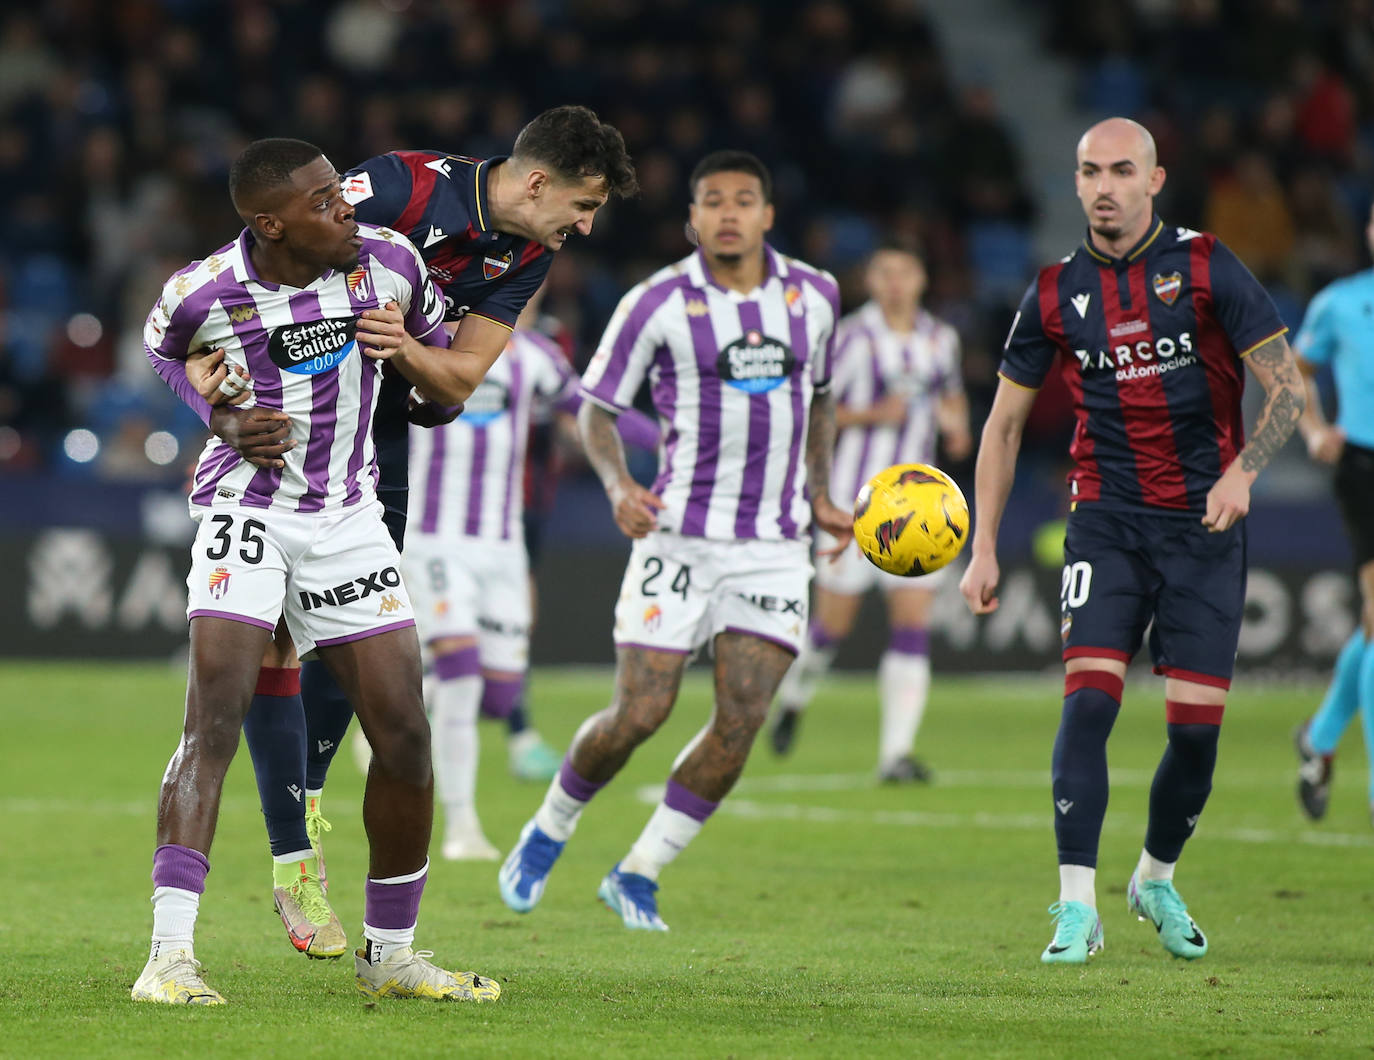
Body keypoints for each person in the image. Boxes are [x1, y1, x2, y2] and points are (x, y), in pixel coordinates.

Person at [181, 106, 638, 957]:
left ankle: (305, 808)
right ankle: (293, 856)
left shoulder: (529, 254)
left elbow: (460, 376)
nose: (585, 225)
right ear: (537, 182)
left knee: (349, 643)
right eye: (583, 204)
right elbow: (274, 236)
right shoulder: (402, 185)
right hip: (284, 418)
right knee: (274, 641)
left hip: (377, 442)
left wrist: (406, 353)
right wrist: (211, 387)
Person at [133, 137, 501, 1004]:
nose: (347, 211)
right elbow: (163, 352)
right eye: (326, 202)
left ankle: (392, 953)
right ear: (271, 223)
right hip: (246, 512)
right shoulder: (204, 291)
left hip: (347, 519)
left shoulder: (392, 263)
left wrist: (423, 379)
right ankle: (169, 957)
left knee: (405, 733)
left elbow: (441, 369)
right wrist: (218, 418)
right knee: (210, 725)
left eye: (343, 194)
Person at [959, 118, 1304, 965]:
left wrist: (1244, 471)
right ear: (1074, 183)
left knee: (1194, 734)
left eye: (1121, 170)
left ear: (1154, 180)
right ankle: (1076, 904)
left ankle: (1153, 875)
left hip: (1205, 525)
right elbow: (1002, 427)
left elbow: (1287, 391)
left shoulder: (1208, 264)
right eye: (1088, 171)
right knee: (1089, 704)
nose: (1103, 185)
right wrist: (984, 546)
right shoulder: (1051, 292)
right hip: (1105, 520)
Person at [498, 150, 852, 931]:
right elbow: (594, 410)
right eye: (712, 202)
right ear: (692, 219)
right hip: (679, 538)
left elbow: (819, 399)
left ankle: (639, 870)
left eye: (744, 200)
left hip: (772, 545)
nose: (728, 213)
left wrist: (822, 493)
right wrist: (623, 487)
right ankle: (549, 827)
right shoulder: (654, 302)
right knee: (641, 713)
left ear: (767, 214)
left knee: (743, 717)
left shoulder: (816, 297)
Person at [402, 299, 659, 860]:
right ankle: (461, 827)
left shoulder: (536, 358)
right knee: (463, 671)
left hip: (502, 544)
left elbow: (592, 406)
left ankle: (399, 705)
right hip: (432, 538)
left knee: (497, 696)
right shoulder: (421, 345)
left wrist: (665, 437)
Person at [769, 238, 972, 779]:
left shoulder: (940, 338)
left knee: (911, 625)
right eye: (884, 273)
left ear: (921, 280)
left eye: (905, 272)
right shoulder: (852, 338)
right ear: (871, 282)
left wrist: (957, 425)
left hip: (926, 510)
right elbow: (814, 411)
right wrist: (872, 415)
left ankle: (895, 755)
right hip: (854, 506)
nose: (896, 283)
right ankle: (794, 698)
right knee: (831, 629)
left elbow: (952, 397)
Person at [1290, 202, 1374, 823]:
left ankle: (1319, 739)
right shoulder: (1340, 302)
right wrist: (1315, 429)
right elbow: (1295, 372)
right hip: (1364, 464)